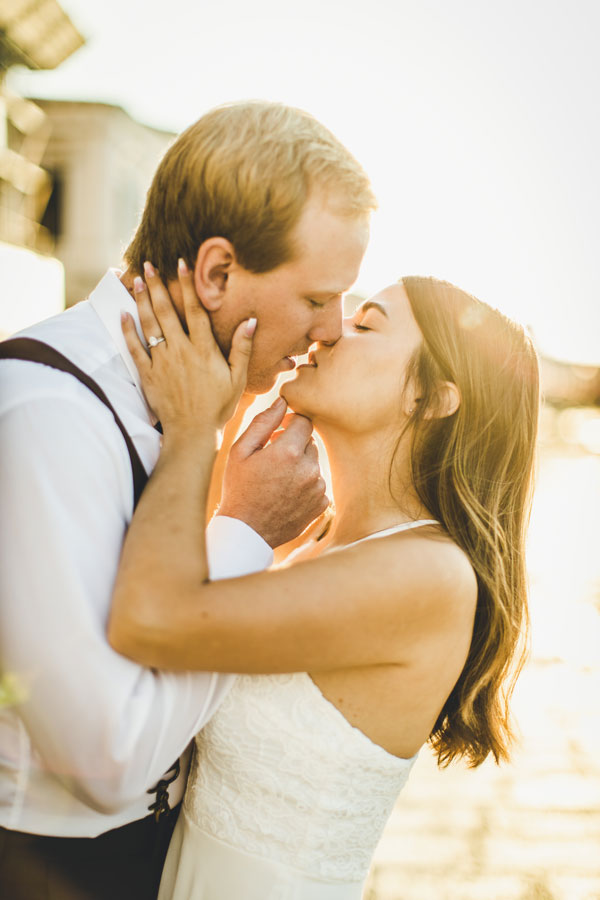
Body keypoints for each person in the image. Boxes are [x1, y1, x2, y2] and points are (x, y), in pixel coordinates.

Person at [0, 100, 375, 899]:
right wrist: (247, 528)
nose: (334, 329)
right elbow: (107, 761)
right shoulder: (45, 417)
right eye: (316, 299)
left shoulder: (195, 412)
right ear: (215, 274)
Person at [107, 265, 540, 899]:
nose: (332, 330)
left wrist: (198, 427)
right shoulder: (311, 534)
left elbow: (153, 623)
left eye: (366, 324)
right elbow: (183, 584)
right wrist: (223, 422)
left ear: (430, 397)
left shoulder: (427, 575)